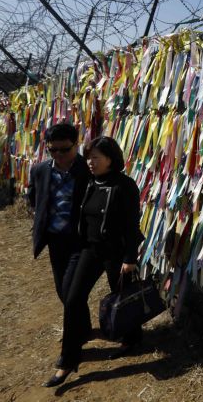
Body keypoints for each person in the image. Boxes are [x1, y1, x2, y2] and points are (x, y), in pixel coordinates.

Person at [44, 136, 144, 387]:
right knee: (73, 297)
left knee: (123, 297)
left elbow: (133, 224)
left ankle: (132, 340)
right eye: (88, 157)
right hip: (89, 249)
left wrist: (130, 257)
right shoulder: (89, 182)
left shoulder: (125, 186)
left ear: (110, 159)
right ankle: (68, 359)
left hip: (116, 252)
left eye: (95, 157)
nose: (90, 162)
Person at [27, 123, 92, 349]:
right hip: (55, 240)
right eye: (53, 150)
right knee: (63, 291)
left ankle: (73, 342)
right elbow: (34, 198)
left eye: (65, 149)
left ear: (77, 144)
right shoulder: (40, 171)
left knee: (71, 292)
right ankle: (83, 329)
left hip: (81, 241)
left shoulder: (88, 170)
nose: (59, 155)